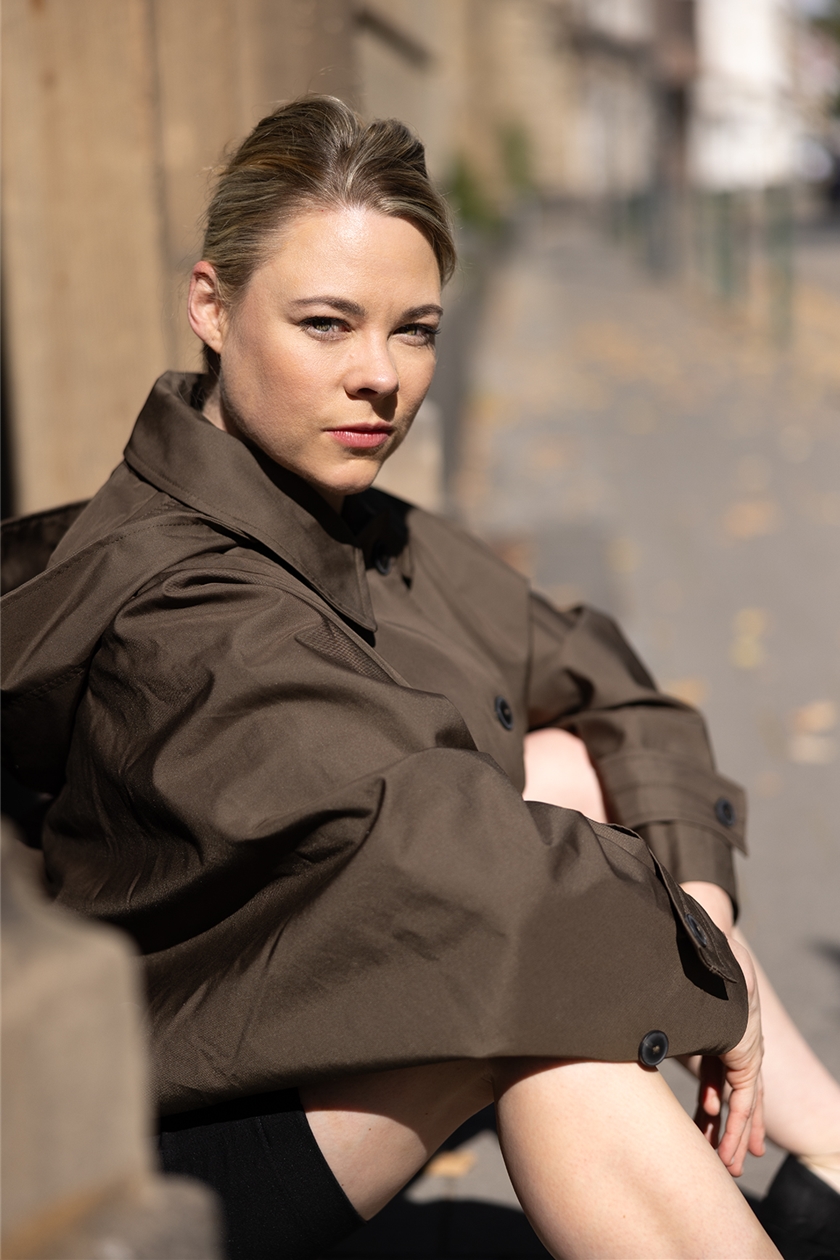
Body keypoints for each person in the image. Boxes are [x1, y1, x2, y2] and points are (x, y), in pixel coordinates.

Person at [0, 95, 792, 1259]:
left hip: (289, 1033)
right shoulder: (185, 610)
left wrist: (702, 907)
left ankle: (826, 1162)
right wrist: (708, 973)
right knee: (550, 994)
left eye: (414, 331)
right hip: (142, 1138)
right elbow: (456, 867)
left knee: (570, 787)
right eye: (326, 324)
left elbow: (615, 689)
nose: (380, 377)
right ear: (211, 306)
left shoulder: (355, 523)